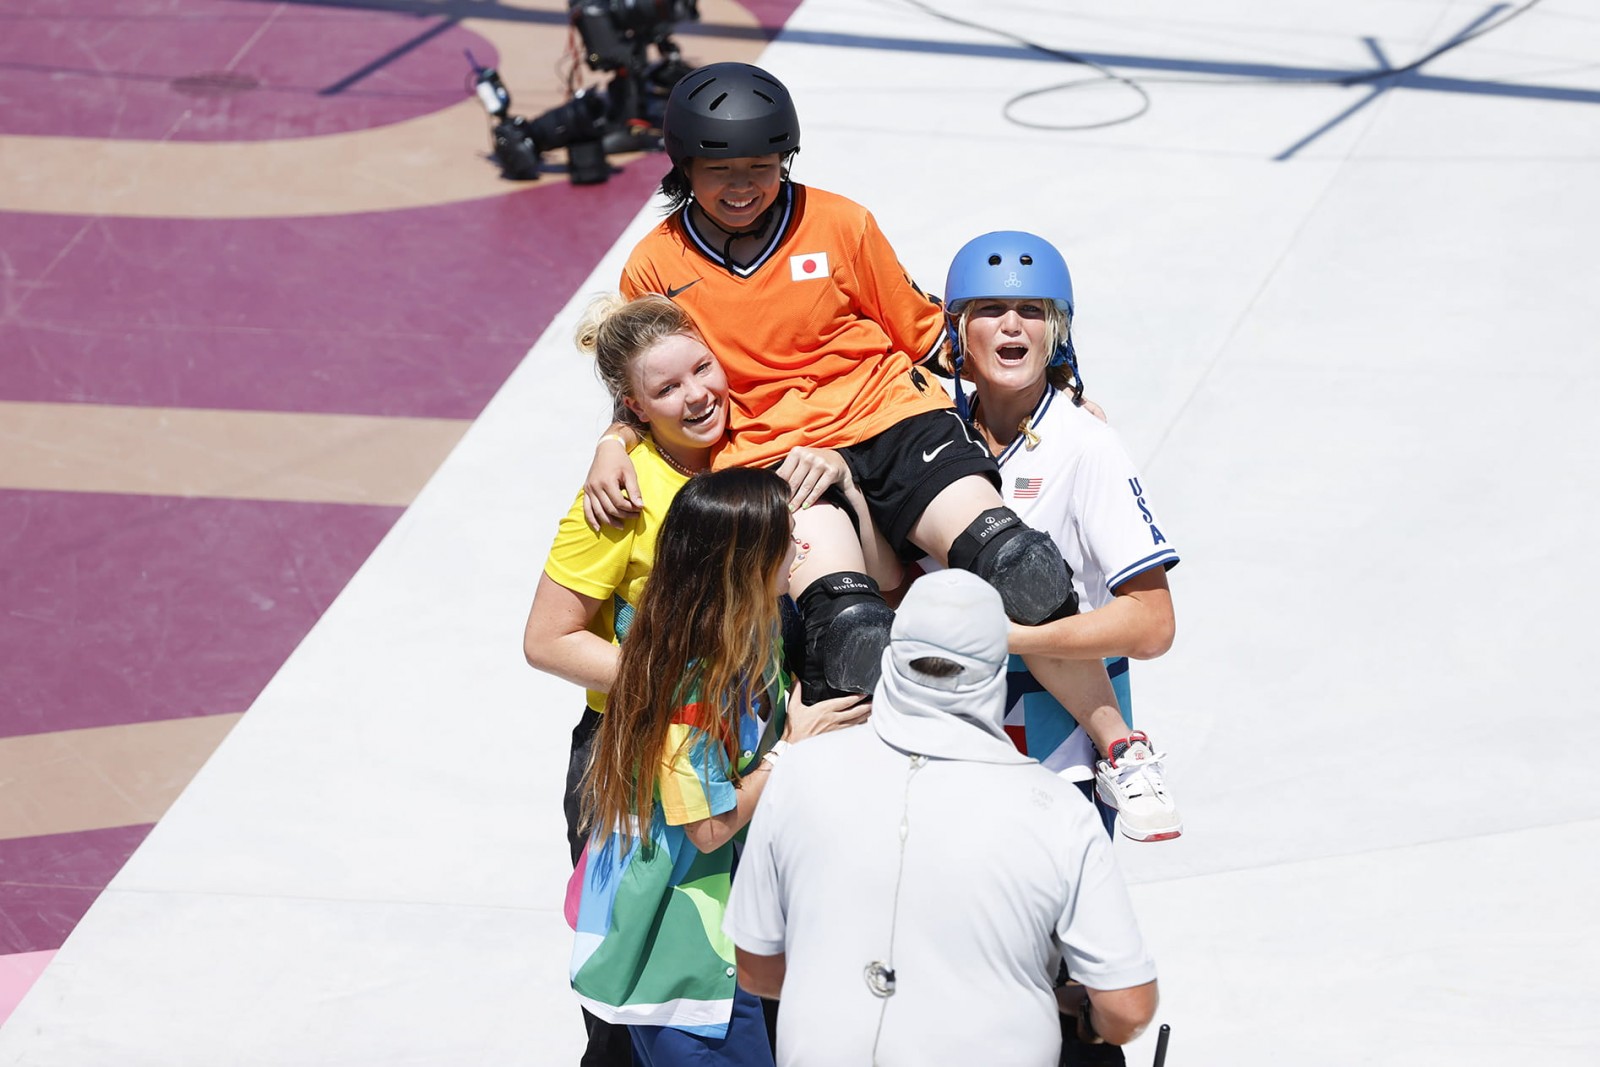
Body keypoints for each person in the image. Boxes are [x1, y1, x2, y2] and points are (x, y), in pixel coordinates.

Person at [585, 62, 1115, 728]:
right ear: (684, 169)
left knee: (1018, 563)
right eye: (720, 171)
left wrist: (1054, 379)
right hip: (781, 456)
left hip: (891, 421)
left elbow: (928, 332)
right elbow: (649, 378)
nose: (743, 186)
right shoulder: (656, 263)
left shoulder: (839, 224)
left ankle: (1120, 746)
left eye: (761, 165)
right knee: (850, 631)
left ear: (786, 158)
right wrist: (613, 441)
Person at [524, 293, 872, 1065]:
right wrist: (692, 688)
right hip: (643, 746)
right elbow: (547, 640)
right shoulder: (617, 498)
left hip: (748, 736)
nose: (698, 395)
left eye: (702, 368)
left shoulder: (754, 444)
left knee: (746, 967)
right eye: (667, 391)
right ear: (634, 407)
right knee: (644, 986)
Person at [722, 570, 1159, 1067]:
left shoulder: (797, 775)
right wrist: (1080, 1018)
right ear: (997, 676)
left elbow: (755, 968)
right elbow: (1128, 1007)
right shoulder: (1057, 811)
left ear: (890, 660)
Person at [568, 468, 868, 1066]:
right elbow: (708, 827)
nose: (802, 547)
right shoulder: (696, 680)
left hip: (714, 949)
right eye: (788, 536)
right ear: (748, 562)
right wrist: (792, 749)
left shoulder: (743, 635)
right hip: (681, 965)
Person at [941, 231, 1183, 845]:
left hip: (1060, 758)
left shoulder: (1087, 443)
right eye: (990, 311)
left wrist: (1015, 639)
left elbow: (1152, 624)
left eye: (1032, 312)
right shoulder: (928, 440)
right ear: (957, 333)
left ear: (1058, 332)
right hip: (946, 749)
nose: (1012, 327)